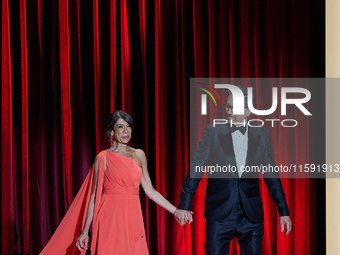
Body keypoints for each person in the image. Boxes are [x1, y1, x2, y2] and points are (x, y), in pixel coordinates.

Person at [40, 110, 192, 255]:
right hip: (109, 219)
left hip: (132, 219)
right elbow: (93, 197)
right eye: (120, 126)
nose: (126, 131)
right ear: (111, 132)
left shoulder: (139, 155)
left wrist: (176, 211)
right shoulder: (103, 157)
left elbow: (150, 191)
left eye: (128, 126)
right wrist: (85, 230)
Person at [174, 86, 292, 255]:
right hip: (220, 214)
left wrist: (283, 210)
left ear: (248, 111)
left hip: (251, 216)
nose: (227, 109)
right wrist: (184, 206)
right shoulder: (213, 132)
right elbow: (196, 169)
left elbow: (271, 175)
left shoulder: (262, 135)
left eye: (232, 106)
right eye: (227, 105)